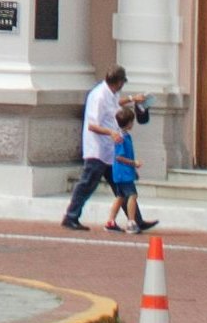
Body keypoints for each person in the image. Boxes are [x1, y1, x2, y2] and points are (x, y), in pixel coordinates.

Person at [62, 66, 127, 231]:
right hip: (97, 149)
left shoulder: (111, 94)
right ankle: (71, 216)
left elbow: (115, 105)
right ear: (118, 82)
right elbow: (93, 125)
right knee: (87, 183)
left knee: (122, 184)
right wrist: (111, 132)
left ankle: (135, 219)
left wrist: (132, 99)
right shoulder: (98, 96)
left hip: (108, 149)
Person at [102, 89, 157, 236]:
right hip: (123, 172)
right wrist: (134, 163)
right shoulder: (122, 138)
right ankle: (131, 222)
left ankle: (110, 221)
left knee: (120, 197)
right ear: (129, 123)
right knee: (132, 196)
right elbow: (119, 157)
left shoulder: (122, 136)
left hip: (121, 173)